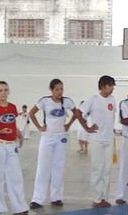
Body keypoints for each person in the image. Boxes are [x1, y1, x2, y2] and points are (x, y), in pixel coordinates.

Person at [28, 79, 84, 209]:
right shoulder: (44, 101)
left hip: (61, 138)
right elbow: (31, 113)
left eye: (62, 89)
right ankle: (37, 199)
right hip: (47, 137)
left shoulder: (67, 101)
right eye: (57, 89)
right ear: (51, 90)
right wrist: (39, 127)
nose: (60, 92)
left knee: (58, 167)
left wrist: (68, 125)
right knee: (43, 167)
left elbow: (76, 113)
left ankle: (56, 197)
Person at [0, 81, 30, 215]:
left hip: (11, 146)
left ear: (8, 91)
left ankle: (19, 207)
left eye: (5, 90)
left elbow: (13, 124)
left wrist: (19, 135)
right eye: (0, 90)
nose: (3, 92)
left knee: (16, 176)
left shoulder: (13, 107)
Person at [78, 75, 117, 207]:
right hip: (96, 139)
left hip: (109, 139)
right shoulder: (92, 99)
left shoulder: (113, 100)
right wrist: (87, 128)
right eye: (110, 86)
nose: (112, 88)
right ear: (103, 86)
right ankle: (96, 199)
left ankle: (104, 197)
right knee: (97, 169)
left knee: (107, 170)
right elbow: (79, 113)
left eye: (113, 86)